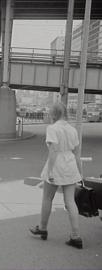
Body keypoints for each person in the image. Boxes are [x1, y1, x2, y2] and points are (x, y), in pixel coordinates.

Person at [29, 102, 83, 249]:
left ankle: (43, 228)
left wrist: (50, 171)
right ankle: (76, 236)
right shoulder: (72, 130)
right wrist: (80, 174)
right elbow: (77, 154)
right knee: (70, 201)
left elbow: (53, 152)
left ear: (53, 114)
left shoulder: (52, 128)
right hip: (70, 164)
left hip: (57, 164)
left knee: (47, 198)